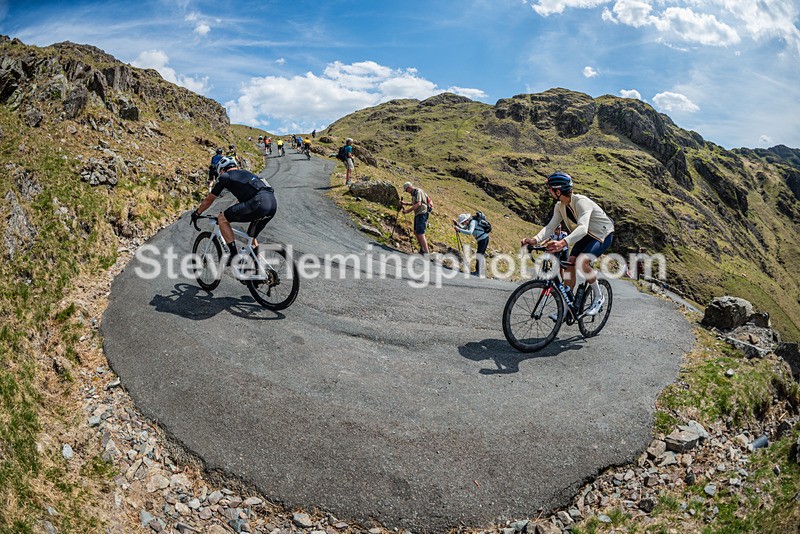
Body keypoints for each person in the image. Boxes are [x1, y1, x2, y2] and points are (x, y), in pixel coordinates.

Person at [520, 171, 614, 316]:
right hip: (585, 235)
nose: (549, 191)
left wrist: (563, 243)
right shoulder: (559, 206)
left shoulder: (581, 202)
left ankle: (598, 297)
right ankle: (566, 308)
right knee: (570, 263)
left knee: (582, 261)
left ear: (558, 191)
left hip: (602, 234)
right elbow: (550, 227)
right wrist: (535, 239)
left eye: (550, 188)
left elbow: (583, 228)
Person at [191, 157, 277, 265]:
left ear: (222, 170)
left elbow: (208, 201)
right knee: (251, 238)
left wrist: (197, 213)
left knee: (222, 218)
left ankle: (234, 256)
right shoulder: (246, 174)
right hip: (272, 203)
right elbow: (241, 203)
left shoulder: (226, 176)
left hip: (258, 202)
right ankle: (261, 268)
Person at [401, 181, 430, 254]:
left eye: (406, 190)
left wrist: (407, 211)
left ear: (409, 188)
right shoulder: (414, 193)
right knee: (416, 232)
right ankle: (422, 249)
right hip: (418, 213)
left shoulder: (418, 191)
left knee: (420, 232)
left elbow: (418, 203)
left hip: (422, 213)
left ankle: (426, 252)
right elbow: (414, 203)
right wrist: (405, 203)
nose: (407, 192)